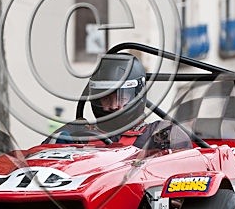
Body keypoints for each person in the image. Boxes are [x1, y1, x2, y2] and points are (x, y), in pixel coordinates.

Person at [45, 54, 193, 151]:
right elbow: (37, 163)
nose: (113, 106)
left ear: (138, 94)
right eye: (106, 98)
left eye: (121, 97)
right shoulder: (74, 131)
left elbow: (183, 180)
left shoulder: (162, 134)